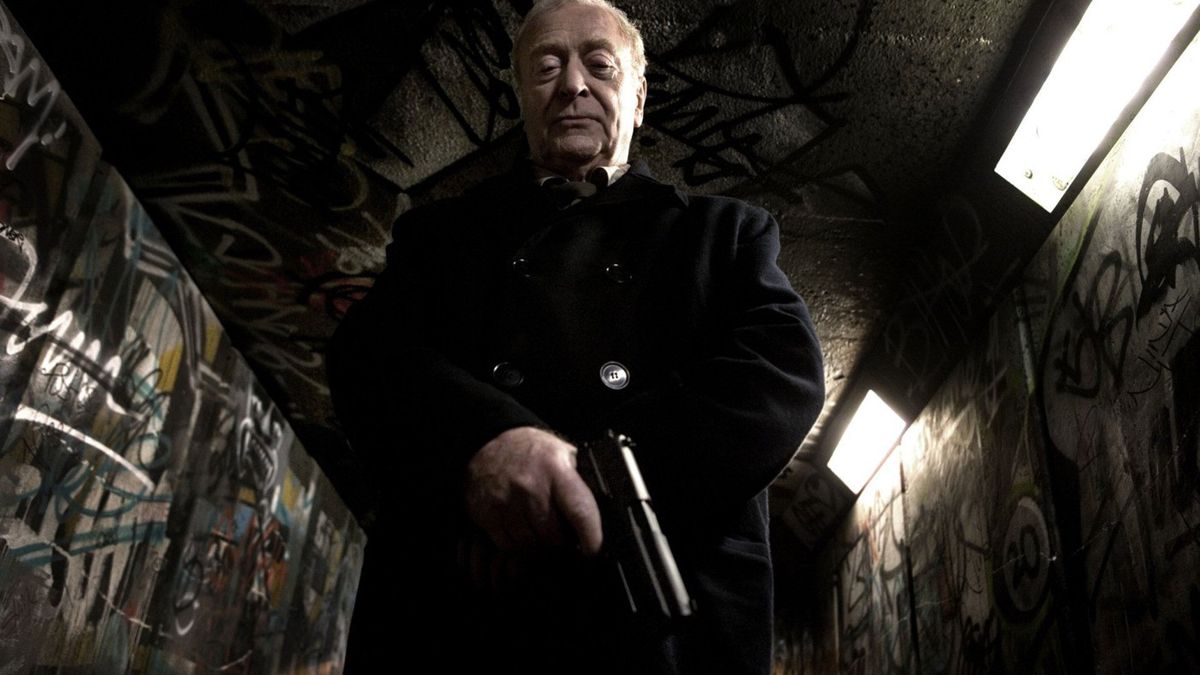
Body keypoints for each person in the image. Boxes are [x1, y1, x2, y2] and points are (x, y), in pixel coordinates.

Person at [327, 0, 824, 672]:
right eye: (546, 67)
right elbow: (369, 359)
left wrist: (587, 477)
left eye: (599, 64)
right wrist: (487, 441)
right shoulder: (439, 236)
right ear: (523, 100)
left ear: (638, 99)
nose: (572, 84)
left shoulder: (724, 234)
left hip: (664, 625)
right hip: (457, 617)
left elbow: (781, 376)